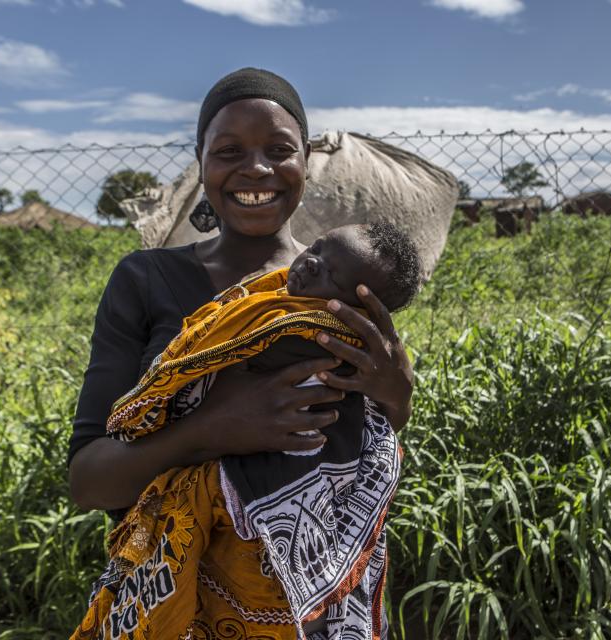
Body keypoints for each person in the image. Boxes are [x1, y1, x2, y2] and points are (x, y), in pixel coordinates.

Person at [68, 68, 415, 638]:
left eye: (279, 150)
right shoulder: (146, 279)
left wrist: (398, 397)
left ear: (305, 158)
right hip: (171, 596)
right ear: (200, 160)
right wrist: (215, 427)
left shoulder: (348, 282)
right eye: (229, 150)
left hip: (307, 597)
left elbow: (365, 441)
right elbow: (89, 482)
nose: (256, 169)